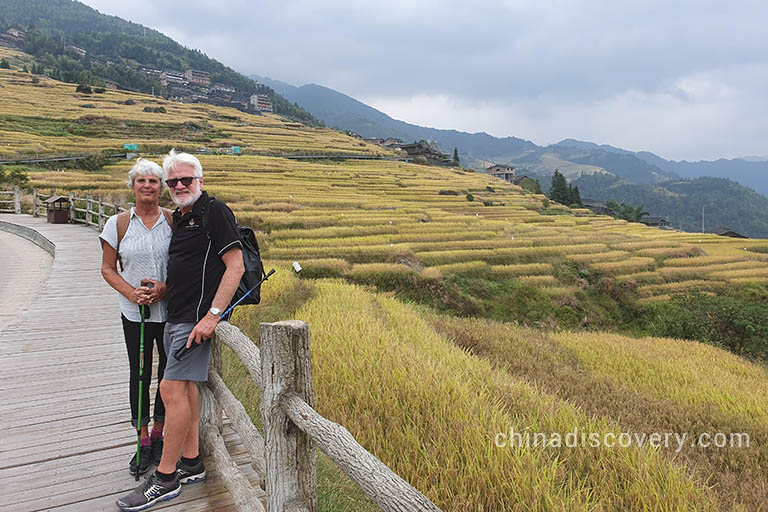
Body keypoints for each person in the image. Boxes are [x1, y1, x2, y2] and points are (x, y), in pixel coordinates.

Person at [117, 150, 244, 512]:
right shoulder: (184, 217)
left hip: (195, 320)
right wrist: (164, 288)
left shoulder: (214, 210)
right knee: (184, 390)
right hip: (177, 315)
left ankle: (166, 478)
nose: (179, 186)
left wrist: (213, 316)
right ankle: (191, 462)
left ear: (199, 180)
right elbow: (190, 268)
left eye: (186, 179)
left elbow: (234, 265)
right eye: (173, 182)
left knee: (170, 389)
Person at [99, 158, 173, 476]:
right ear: (132, 186)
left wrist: (166, 288)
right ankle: (141, 438)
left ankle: (159, 432)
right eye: (141, 180)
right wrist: (131, 292)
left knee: (168, 376)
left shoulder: (173, 220)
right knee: (140, 373)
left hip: (169, 312)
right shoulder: (118, 224)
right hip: (135, 313)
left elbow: (184, 264)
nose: (147, 186)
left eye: (153, 181)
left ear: (161, 188)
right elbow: (107, 268)